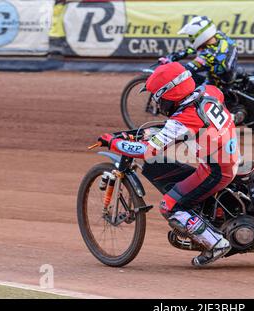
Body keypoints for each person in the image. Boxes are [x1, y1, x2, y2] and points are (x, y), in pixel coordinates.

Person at [98, 62, 239, 267]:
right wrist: (142, 134)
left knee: (169, 205)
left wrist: (114, 143)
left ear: (168, 94)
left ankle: (216, 243)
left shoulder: (185, 118)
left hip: (216, 170)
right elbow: (177, 128)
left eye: (157, 97)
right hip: (230, 155)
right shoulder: (209, 92)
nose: (157, 103)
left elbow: (148, 152)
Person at [161, 16, 254, 127]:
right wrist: (177, 55)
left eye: (191, 36)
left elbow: (191, 67)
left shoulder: (212, 54)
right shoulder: (218, 37)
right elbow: (195, 49)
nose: (189, 39)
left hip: (221, 83)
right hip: (228, 72)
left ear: (200, 36)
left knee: (200, 98)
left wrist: (173, 66)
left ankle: (231, 117)